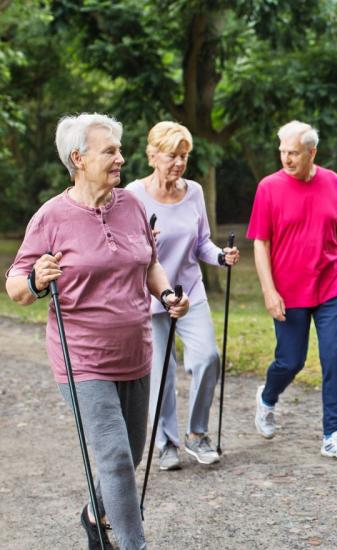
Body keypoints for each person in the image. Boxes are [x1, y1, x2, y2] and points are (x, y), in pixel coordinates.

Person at [5, 113, 189, 550]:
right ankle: (133, 544)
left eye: (120, 150)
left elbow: (149, 264)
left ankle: (94, 513)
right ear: (78, 158)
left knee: (132, 453)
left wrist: (166, 297)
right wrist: (37, 280)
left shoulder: (131, 205)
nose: (120, 159)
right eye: (110, 151)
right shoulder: (51, 216)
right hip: (83, 359)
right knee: (115, 456)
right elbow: (16, 285)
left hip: (136, 350)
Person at [127, 121, 240, 470]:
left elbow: (202, 241)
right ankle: (166, 443)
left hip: (190, 291)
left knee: (208, 357)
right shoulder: (133, 194)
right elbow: (124, 248)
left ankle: (197, 434)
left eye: (184, 156)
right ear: (153, 155)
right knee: (161, 374)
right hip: (151, 297)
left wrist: (221, 256)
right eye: (172, 155)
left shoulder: (193, 192)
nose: (179, 163)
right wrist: (143, 239)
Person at [248, 120, 337, 462]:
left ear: (312, 152)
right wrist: (269, 291)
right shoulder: (269, 187)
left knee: (335, 355)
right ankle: (267, 398)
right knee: (291, 360)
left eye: (293, 152)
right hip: (289, 290)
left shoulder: (333, 182)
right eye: (282, 151)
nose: (286, 158)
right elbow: (260, 243)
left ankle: (332, 434)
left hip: (330, 284)